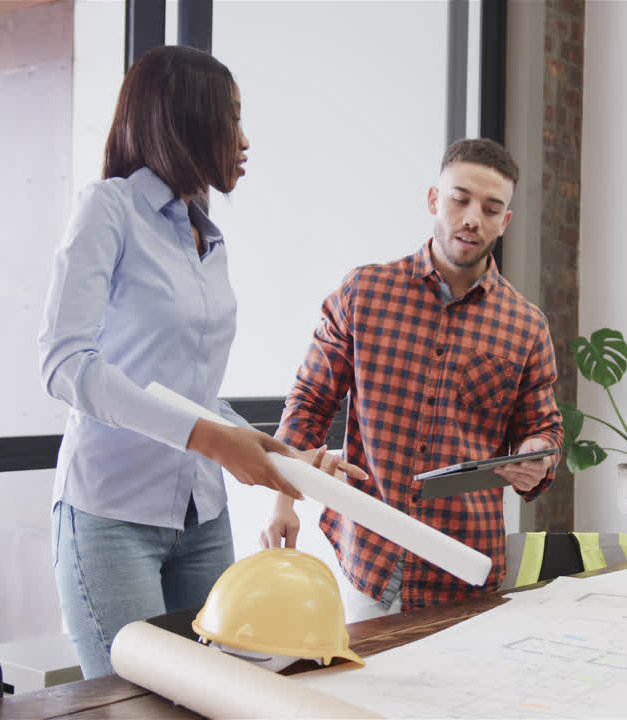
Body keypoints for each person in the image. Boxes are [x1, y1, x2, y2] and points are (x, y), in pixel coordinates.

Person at [37, 45, 363, 678]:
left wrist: (271, 452)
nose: (244, 140)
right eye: (232, 118)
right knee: (135, 704)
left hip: (202, 518)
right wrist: (211, 439)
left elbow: (195, 394)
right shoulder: (109, 209)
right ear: (186, 120)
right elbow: (64, 363)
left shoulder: (204, 235)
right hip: (111, 517)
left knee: (221, 692)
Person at [264, 138, 563, 618]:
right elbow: (310, 401)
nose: (472, 218)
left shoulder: (526, 326)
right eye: (459, 199)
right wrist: (284, 500)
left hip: (466, 571)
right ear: (433, 199)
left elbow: (542, 430)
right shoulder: (364, 293)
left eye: (490, 208)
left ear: (504, 221)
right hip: (369, 562)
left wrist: (535, 458)